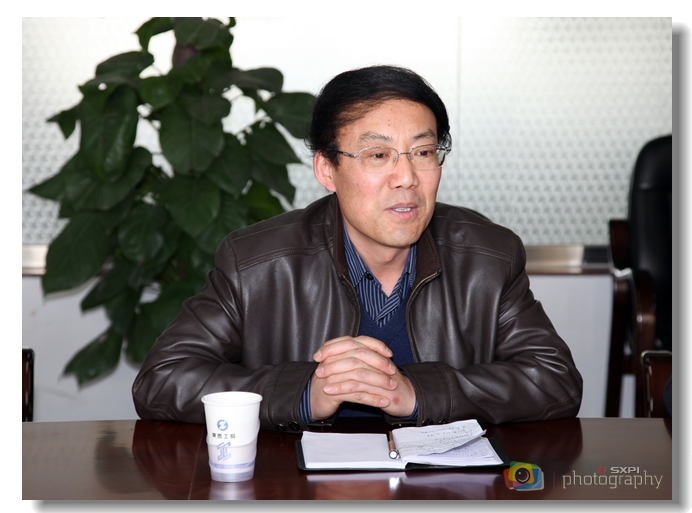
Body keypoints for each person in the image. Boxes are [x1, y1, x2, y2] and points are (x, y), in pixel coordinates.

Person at [132, 65, 583, 431]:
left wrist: (416, 393)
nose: (406, 178)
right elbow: (163, 380)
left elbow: (555, 381)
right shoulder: (257, 262)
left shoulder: (489, 256)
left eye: (423, 153)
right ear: (326, 170)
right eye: (378, 155)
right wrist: (307, 393)